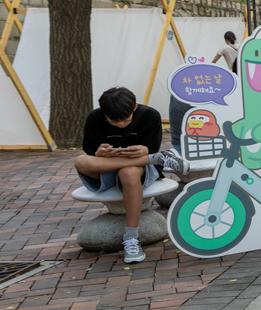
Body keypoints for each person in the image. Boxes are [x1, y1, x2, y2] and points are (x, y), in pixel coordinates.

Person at [75, 87, 187, 263]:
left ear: (134, 106)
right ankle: (156, 160)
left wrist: (145, 150)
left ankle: (131, 238)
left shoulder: (149, 115)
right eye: (114, 121)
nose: (121, 125)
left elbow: (151, 145)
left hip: (138, 170)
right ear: (103, 113)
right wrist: (99, 152)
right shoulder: (94, 118)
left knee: (128, 173)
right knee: (81, 161)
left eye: (125, 120)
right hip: (109, 167)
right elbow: (89, 151)